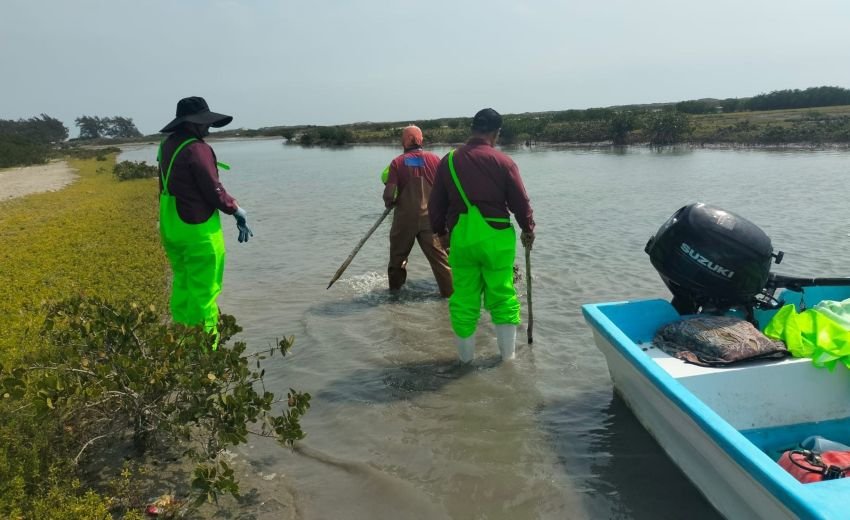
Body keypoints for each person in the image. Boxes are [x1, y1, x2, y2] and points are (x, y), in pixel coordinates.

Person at [428, 108, 535, 362]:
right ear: (496, 133)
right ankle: (508, 362)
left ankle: (465, 363)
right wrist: (528, 229)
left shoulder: (448, 161)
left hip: (462, 240)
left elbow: (435, 206)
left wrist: (441, 233)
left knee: (464, 300)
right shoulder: (504, 162)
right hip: (497, 241)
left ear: (472, 129)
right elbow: (521, 203)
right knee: (502, 297)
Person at [157, 96, 253, 348]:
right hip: (198, 232)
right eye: (205, 122)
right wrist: (235, 209)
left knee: (183, 285)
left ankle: (180, 342)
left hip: (171, 228)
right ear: (192, 123)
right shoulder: (197, 148)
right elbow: (212, 187)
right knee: (205, 293)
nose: (208, 127)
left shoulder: (166, 146)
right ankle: (206, 352)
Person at [381, 125, 453, 297]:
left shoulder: (398, 162)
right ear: (421, 140)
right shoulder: (435, 159)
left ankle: (395, 297)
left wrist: (389, 202)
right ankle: (450, 296)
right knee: (441, 260)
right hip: (432, 220)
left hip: (404, 220)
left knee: (397, 259)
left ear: (405, 141)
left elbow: (389, 195)